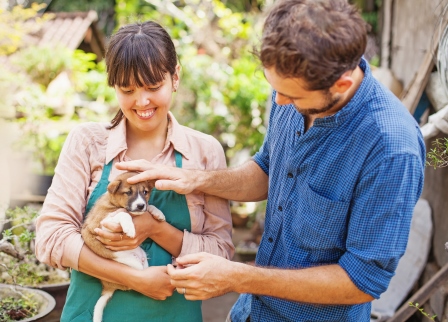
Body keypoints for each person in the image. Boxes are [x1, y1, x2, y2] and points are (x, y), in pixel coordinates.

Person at [115, 1, 426, 321]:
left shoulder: (391, 149)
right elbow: (268, 168)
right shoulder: (294, 83)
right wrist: (198, 179)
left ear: (341, 84)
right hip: (253, 312)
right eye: (276, 89)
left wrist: (238, 277)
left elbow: (361, 281)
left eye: (293, 97)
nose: (280, 102)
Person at [35, 20, 234, 322]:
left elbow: (221, 254)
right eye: (127, 89)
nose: (141, 102)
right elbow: (50, 238)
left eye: (153, 87)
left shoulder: (204, 152)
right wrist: (134, 278)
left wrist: (155, 229)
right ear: (113, 86)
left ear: (175, 76)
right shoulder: (88, 143)